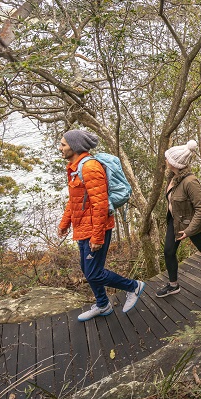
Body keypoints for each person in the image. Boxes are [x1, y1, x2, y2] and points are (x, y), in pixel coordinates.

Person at [57, 129, 146, 321]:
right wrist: (65, 223)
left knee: (94, 273)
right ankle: (103, 304)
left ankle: (133, 287)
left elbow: (100, 205)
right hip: (83, 227)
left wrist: (97, 237)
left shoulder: (90, 168)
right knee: (87, 270)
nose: (60, 148)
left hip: (96, 229)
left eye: (63, 144)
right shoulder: (75, 168)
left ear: (75, 146)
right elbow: (73, 200)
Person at [156, 140, 201, 297]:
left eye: (167, 158)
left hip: (194, 222)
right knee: (168, 251)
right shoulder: (172, 177)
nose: (165, 160)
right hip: (176, 221)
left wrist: (189, 230)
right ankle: (173, 285)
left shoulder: (190, 182)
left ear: (174, 162)